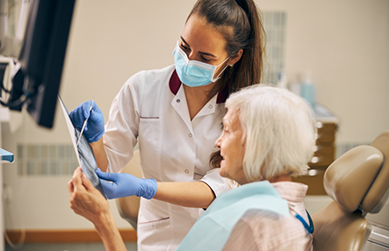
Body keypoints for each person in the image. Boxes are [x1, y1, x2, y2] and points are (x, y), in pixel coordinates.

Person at [69, 0, 265, 250]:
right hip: (159, 237)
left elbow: (221, 186)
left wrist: (148, 188)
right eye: (184, 46)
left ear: (234, 57)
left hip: (219, 236)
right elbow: (105, 166)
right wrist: (94, 139)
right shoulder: (142, 89)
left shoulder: (241, 110)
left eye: (205, 58)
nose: (189, 60)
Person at [68, 85, 316, 251]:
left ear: (258, 144)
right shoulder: (286, 210)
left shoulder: (257, 225)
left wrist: (103, 221)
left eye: (227, 130)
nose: (218, 142)